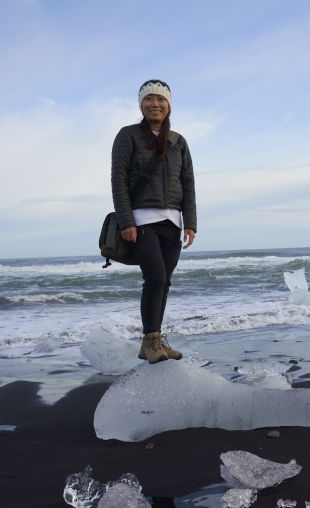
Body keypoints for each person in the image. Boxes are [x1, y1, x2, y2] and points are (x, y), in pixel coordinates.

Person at [111, 79, 197, 364]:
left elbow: (188, 182)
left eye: (160, 100)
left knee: (165, 282)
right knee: (155, 278)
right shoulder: (128, 135)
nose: (155, 104)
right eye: (149, 99)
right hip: (142, 219)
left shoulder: (178, 141)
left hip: (172, 221)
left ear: (169, 105)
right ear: (141, 105)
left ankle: (155, 340)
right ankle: (150, 341)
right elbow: (118, 180)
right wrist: (126, 221)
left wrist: (190, 221)